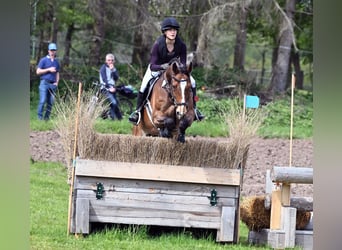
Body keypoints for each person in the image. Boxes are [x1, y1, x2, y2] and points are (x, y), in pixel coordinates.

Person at [128, 17, 204, 125]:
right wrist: (163, 67)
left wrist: (180, 70)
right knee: (144, 85)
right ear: (164, 31)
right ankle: (137, 112)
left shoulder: (181, 45)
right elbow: (153, 65)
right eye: (170, 30)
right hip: (157, 69)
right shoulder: (158, 45)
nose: (173, 32)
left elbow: (182, 63)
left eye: (175, 30)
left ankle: (195, 109)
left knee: (193, 82)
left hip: (174, 71)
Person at [36, 42, 60, 120]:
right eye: (51, 50)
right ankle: (39, 118)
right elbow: (38, 71)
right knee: (42, 101)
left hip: (53, 84)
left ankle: (46, 119)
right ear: (48, 51)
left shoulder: (56, 62)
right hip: (44, 83)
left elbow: (57, 73)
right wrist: (48, 69)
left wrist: (57, 82)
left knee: (50, 103)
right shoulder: (43, 60)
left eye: (54, 50)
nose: (53, 52)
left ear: (55, 51)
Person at [99, 53, 122, 120]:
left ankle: (120, 119)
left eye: (112, 60)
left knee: (116, 103)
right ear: (106, 61)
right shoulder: (103, 68)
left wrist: (113, 70)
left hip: (112, 88)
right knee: (114, 103)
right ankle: (112, 118)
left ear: (114, 61)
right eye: (108, 60)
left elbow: (116, 78)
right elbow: (104, 79)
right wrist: (109, 88)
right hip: (105, 88)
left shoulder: (113, 68)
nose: (110, 62)